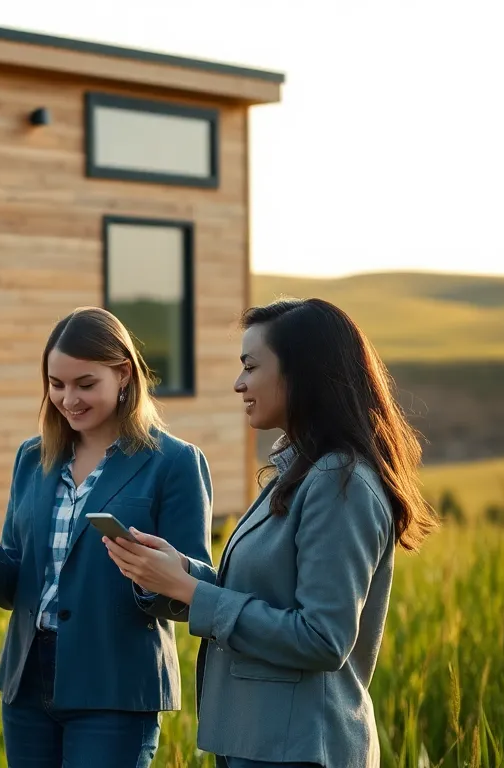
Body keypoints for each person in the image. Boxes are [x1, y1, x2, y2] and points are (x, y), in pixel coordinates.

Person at [102, 298, 438, 768]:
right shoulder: (300, 471)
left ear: (301, 373)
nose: (239, 384)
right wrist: (181, 573)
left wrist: (192, 591)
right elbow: (269, 596)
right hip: (258, 743)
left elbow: (323, 637)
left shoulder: (340, 484)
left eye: (250, 366)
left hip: (300, 748)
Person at [0, 306, 215, 768]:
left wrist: (154, 575)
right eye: (57, 384)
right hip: (26, 684)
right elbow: (19, 587)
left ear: (123, 374)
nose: (68, 399)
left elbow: (196, 592)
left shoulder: (174, 463)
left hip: (114, 689)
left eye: (85, 384)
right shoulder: (33, 457)